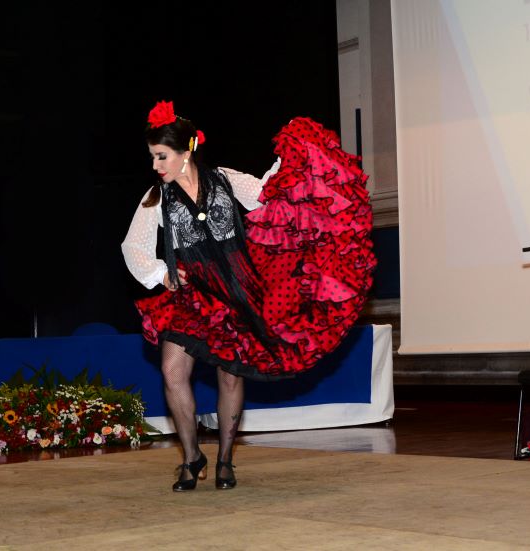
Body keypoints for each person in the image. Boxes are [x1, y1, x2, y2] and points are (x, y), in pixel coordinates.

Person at [122, 101, 375, 491]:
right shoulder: (156, 198)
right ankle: (191, 456)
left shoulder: (224, 179)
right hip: (192, 294)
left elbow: (267, 196)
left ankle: (224, 459)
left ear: (185, 152)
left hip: (238, 290)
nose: (156, 166)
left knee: (230, 376)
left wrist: (291, 156)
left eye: (162, 157)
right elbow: (133, 246)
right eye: (153, 157)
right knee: (173, 371)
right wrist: (161, 274)